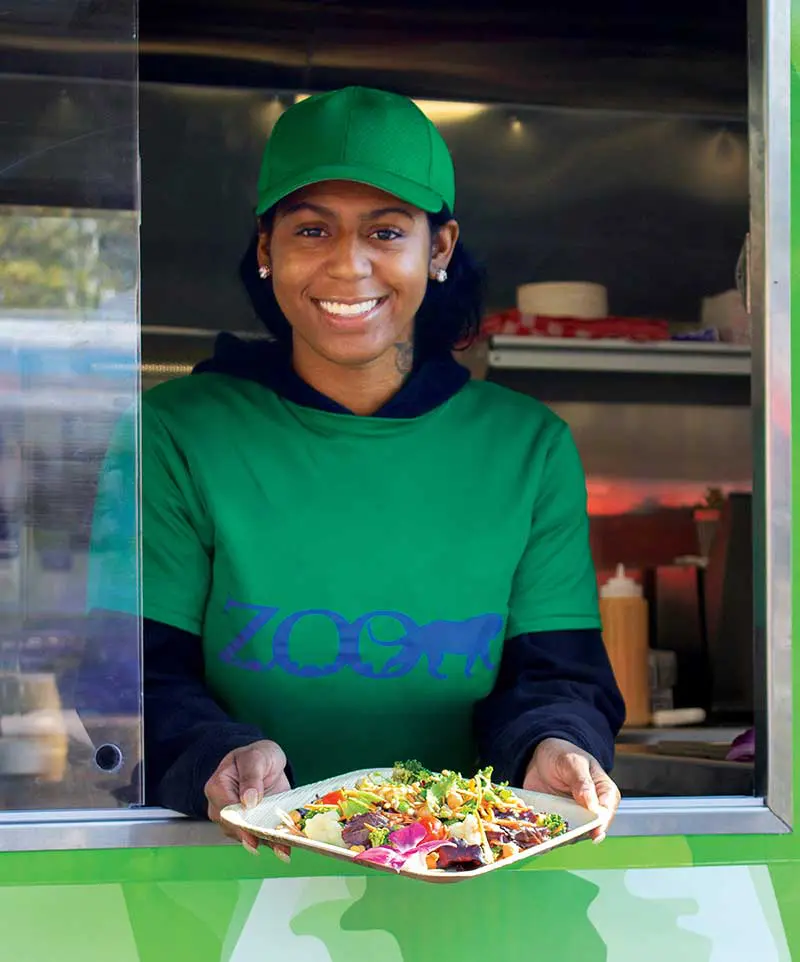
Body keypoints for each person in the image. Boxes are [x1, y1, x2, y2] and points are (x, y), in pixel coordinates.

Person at [88, 86, 624, 857]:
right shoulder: (176, 434)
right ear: (266, 248)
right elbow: (130, 682)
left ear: (436, 250)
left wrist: (555, 743)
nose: (349, 264)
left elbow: (556, 678)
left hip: (461, 872)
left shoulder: (526, 446)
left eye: (386, 230)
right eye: (312, 229)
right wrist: (217, 755)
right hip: (221, 866)